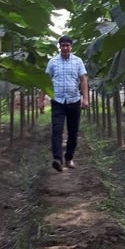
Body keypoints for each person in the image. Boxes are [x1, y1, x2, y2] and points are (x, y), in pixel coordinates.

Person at [39, 35, 89, 172]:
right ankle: (57, 159)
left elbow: (83, 80)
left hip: (74, 100)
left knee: (73, 133)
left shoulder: (78, 61)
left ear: (71, 47)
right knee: (57, 130)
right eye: (63, 45)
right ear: (59, 47)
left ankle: (68, 158)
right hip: (58, 101)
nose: (65, 48)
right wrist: (41, 99)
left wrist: (85, 98)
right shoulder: (53, 62)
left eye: (67, 45)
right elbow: (45, 80)